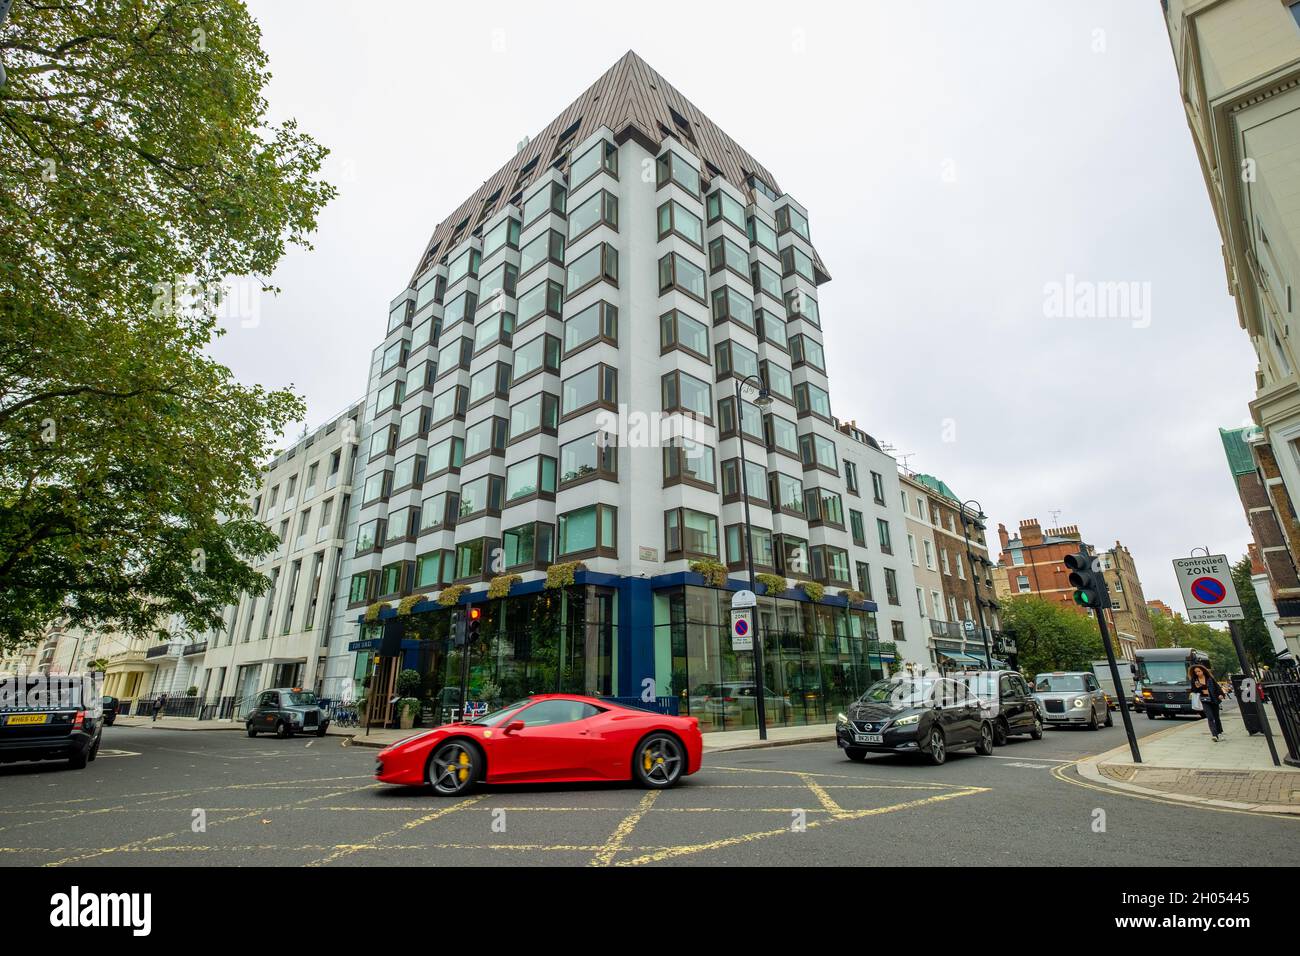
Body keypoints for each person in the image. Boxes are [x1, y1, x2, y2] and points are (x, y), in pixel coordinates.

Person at [1189, 664, 1226, 742]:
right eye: (1196, 672)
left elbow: (1217, 687)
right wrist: (1197, 687)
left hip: (1214, 699)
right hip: (1204, 700)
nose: (1197, 673)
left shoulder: (1209, 678)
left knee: (1216, 718)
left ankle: (1220, 733)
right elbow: (1193, 691)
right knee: (1210, 717)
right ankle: (1214, 735)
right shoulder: (1194, 680)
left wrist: (1221, 694)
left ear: (1203, 671)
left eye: (1199, 671)